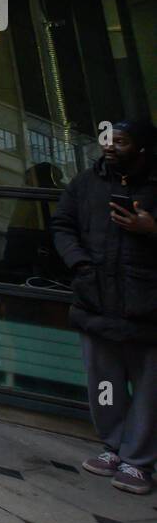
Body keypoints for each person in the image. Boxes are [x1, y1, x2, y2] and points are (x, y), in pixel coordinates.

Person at [51, 116, 157, 495]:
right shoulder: (86, 183)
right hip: (96, 299)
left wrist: (151, 230)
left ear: (142, 149)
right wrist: (79, 264)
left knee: (148, 389)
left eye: (122, 142)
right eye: (107, 140)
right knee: (105, 384)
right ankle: (114, 447)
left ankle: (139, 462)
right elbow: (62, 225)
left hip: (146, 306)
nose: (110, 147)